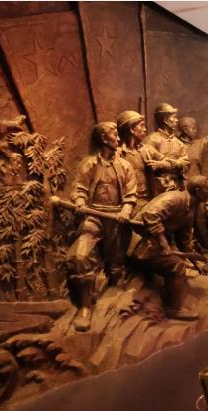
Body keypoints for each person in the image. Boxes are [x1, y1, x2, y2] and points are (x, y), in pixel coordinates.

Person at [68, 122, 137, 332]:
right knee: (80, 256)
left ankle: (116, 300)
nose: (119, 138)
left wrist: (126, 210)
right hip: (93, 217)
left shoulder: (125, 165)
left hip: (116, 219)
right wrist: (80, 202)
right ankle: (85, 307)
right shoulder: (89, 164)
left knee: (116, 267)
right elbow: (79, 188)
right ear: (104, 138)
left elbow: (131, 194)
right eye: (114, 134)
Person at [128, 175, 208, 320]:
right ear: (198, 191)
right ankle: (174, 309)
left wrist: (195, 262)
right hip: (142, 244)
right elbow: (150, 214)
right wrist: (162, 241)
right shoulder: (175, 198)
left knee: (179, 261)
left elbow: (184, 240)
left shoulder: (190, 208)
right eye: (207, 188)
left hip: (156, 245)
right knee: (177, 266)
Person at [116, 110, 176, 212]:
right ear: (132, 129)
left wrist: (161, 165)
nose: (145, 129)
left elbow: (170, 164)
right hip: (124, 204)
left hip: (147, 202)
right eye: (141, 125)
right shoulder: (118, 154)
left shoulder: (146, 149)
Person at [144, 103, 190, 194]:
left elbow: (186, 165)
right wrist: (177, 164)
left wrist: (164, 165)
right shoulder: (151, 140)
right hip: (158, 190)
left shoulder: (179, 144)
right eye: (174, 117)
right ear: (165, 120)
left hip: (177, 188)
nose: (176, 120)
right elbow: (151, 166)